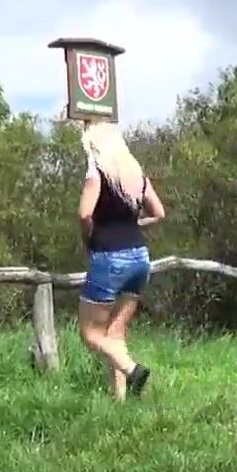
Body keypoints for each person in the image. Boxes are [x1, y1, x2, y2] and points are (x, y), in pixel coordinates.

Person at [76, 120, 165, 399]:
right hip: (140, 258)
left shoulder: (97, 173)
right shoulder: (136, 176)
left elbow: (84, 214)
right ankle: (120, 398)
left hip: (109, 257)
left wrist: (89, 239)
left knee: (91, 334)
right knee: (115, 332)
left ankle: (133, 370)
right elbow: (159, 213)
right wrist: (132, 225)